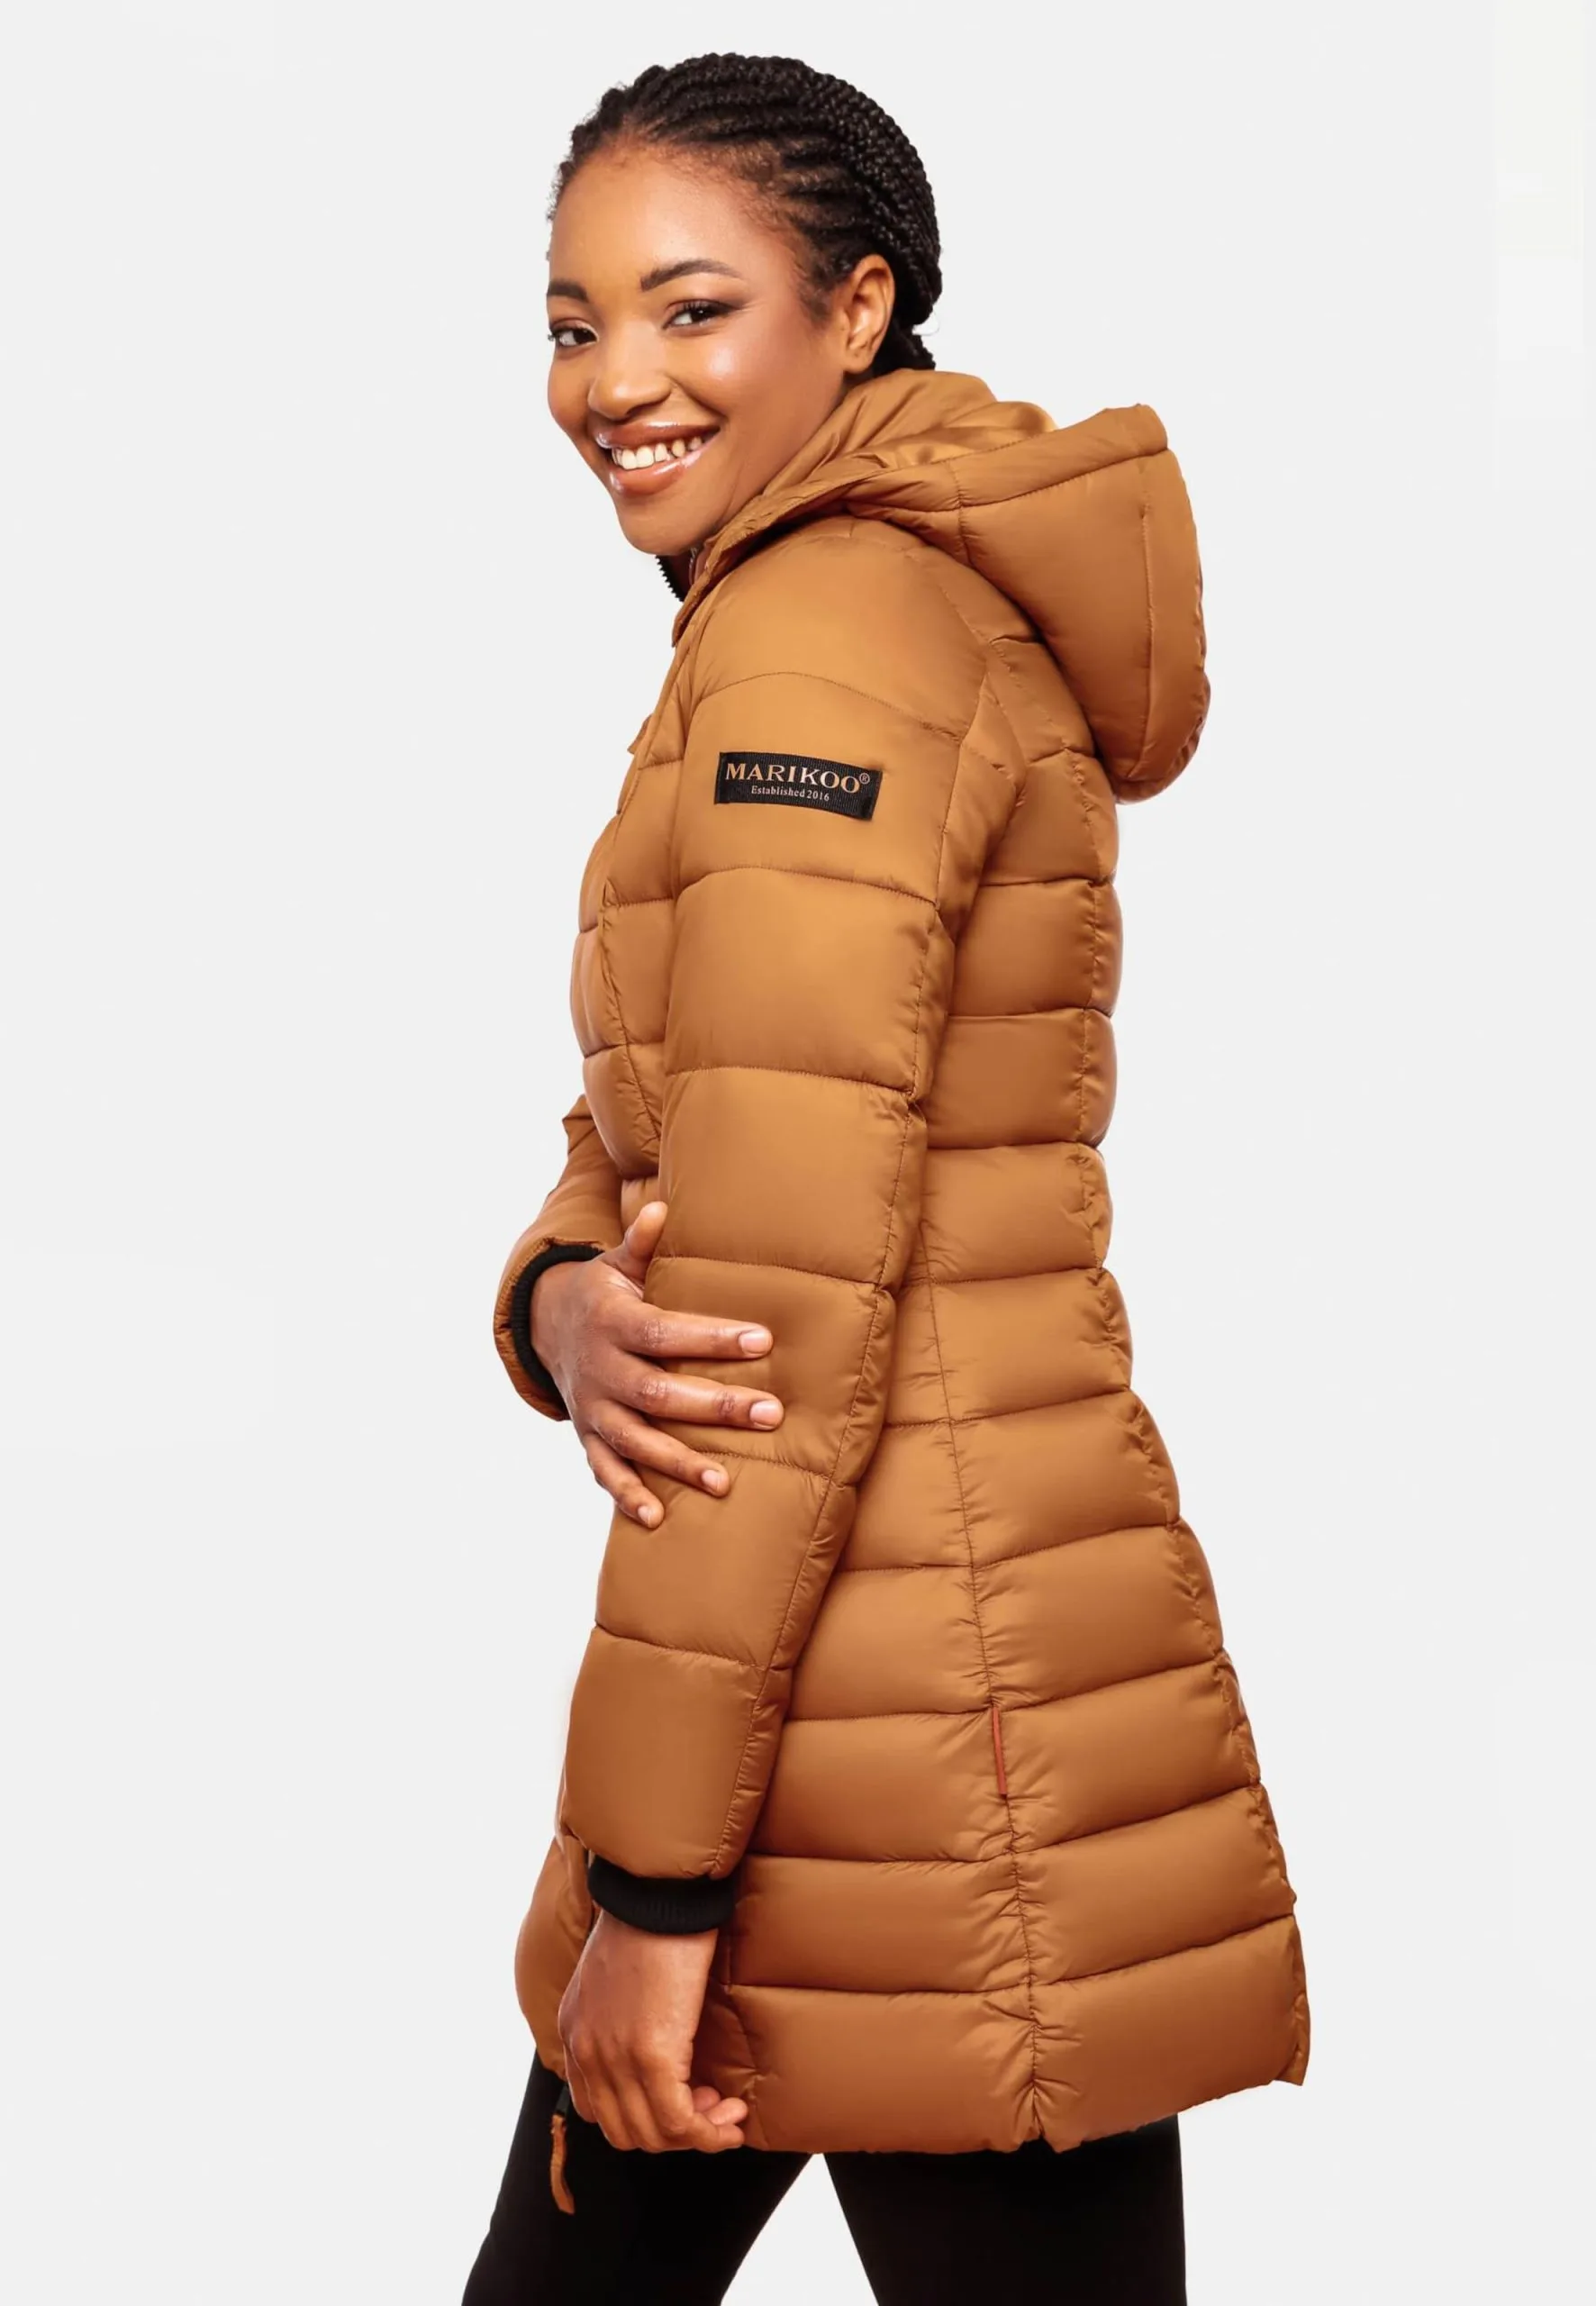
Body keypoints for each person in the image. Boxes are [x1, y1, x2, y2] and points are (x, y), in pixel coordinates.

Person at [464, 50, 1310, 2305]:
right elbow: (682, 1129)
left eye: (690, 309)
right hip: (910, 1701)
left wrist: (656, 1892)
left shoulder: (824, 635)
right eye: (572, 322)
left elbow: (763, 1315)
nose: (614, 382)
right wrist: (560, 1290)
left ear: (857, 311)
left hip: (894, 1752)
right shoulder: (860, 601)